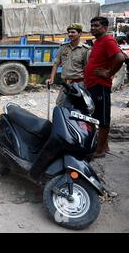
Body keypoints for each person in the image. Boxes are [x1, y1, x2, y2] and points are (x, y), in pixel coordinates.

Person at [84, 16, 125, 158]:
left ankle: (100, 150)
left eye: (96, 25)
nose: (93, 28)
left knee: (102, 118)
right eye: (92, 25)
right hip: (94, 85)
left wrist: (108, 73)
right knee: (97, 116)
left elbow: (120, 58)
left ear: (105, 28)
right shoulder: (99, 42)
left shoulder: (107, 40)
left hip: (100, 85)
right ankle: (104, 145)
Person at [48, 23, 91, 106]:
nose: (70, 34)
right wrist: (51, 79)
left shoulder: (85, 50)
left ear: (80, 33)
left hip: (79, 84)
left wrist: (86, 85)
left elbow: (87, 69)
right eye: (69, 32)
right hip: (65, 84)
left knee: (77, 106)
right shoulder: (63, 48)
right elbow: (56, 63)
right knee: (60, 105)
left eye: (73, 32)